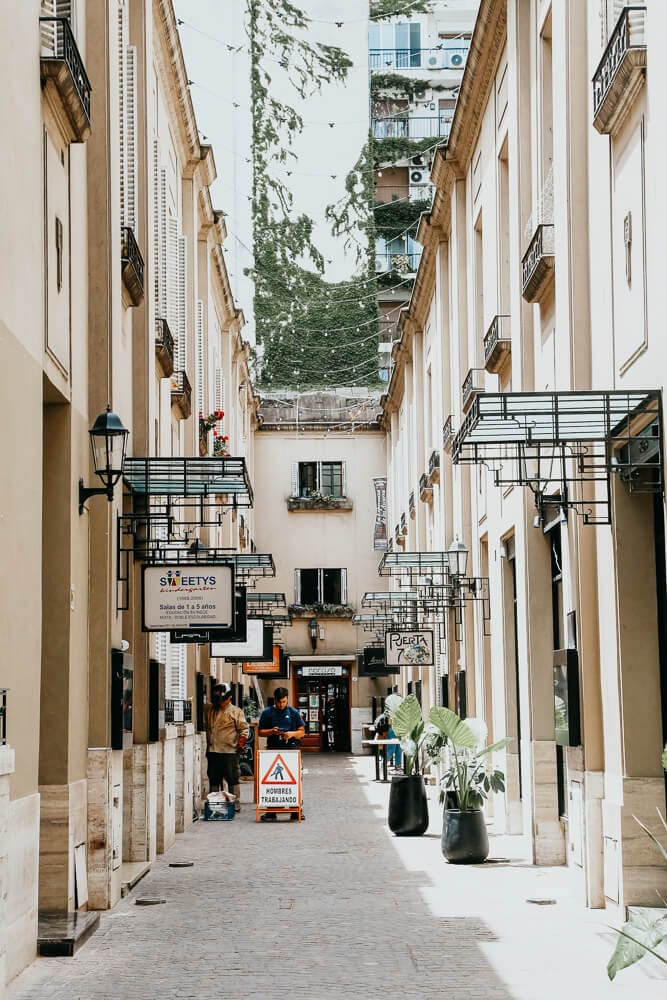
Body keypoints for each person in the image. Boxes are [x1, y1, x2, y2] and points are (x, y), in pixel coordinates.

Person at [258, 687, 305, 822]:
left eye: (284, 702)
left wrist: (291, 734)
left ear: (287, 699)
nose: (281, 705)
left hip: (291, 750)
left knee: (295, 780)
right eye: (279, 702)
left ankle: (296, 810)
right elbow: (260, 732)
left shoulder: (293, 712)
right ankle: (272, 811)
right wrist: (272, 731)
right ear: (275, 700)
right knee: (273, 781)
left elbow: (302, 732)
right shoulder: (267, 713)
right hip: (273, 750)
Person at [204, 683, 249, 813]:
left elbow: (244, 730)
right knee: (213, 777)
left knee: (232, 777)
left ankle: (235, 803)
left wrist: (241, 743)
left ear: (229, 698)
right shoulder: (210, 709)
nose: (220, 703)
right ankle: (214, 802)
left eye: (222, 701)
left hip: (230, 751)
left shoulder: (236, 711)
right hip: (213, 751)